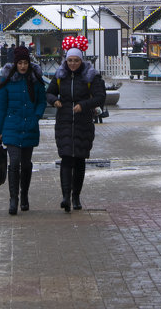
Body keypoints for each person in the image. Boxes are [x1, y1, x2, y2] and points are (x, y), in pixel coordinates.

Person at [46, 46, 105, 212]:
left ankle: (76, 196)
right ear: (66, 61)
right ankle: (65, 196)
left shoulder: (90, 76)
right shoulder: (60, 76)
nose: (72, 64)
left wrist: (83, 105)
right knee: (66, 158)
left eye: (76, 60)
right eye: (70, 60)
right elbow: (49, 92)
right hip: (64, 121)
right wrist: (54, 101)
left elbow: (101, 97)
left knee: (79, 160)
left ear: (81, 61)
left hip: (83, 123)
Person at [0, 46, 46, 215]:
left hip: (29, 127)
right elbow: (1, 108)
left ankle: (24, 195)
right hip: (12, 128)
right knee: (14, 163)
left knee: (26, 164)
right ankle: (13, 198)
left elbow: (42, 102)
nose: (23, 66)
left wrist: (35, 116)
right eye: (20, 63)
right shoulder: (8, 82)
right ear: (15, 64)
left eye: (25, 63)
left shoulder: (35, 81)